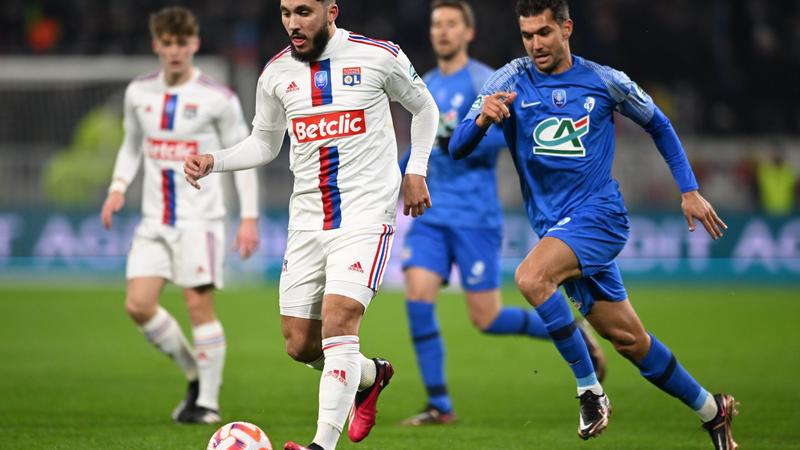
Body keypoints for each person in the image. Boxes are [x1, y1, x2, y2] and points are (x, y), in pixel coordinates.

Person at [449, 1, 737, 448]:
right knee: (628, 339)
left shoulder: (605, 81)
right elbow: (459, 147)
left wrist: (689, 189)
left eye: (544, 32)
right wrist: (484, 117)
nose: (535, 44)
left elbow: (659, 124)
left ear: (567, 28)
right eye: (527, 35)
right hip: (556, 228)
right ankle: (713, 411)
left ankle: (590, 391)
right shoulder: (507, 80)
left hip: (599, 216)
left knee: (530, 277)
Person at [184, 1, 438, 449]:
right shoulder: (276, 74)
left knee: (341, 320)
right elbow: (264, 143)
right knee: (301, 344)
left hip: (365, 215)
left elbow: (425, 109)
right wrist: (214, 161)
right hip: (307, 220)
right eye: (285, 13)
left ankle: (321, 444)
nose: (292, 23)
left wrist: (416, 169)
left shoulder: (378, 55)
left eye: (303, 11)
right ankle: (370, 375)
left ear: (331, 11)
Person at [398, 0, 605, 426]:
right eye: (436, 24)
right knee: (417, 296)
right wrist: (396, 170)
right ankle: (440, 405)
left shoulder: (485, 81)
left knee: (486, 318)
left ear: (467, 32)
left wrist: (456, 135)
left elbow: (510, 139)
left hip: (475, 216)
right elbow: (418, 147)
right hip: (431, 215)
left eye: (451, 24)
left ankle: (572, 332)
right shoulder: (426, 85)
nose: (442, 31)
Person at [100, 7, 260, 424]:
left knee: (197, 307)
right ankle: (195, 373)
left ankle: (207, 403)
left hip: (200, 219)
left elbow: (243, 155)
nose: (174, 51)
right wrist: (117, 189)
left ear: (194, 44)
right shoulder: (138, 93)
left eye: (181, 43)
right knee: (138, 304)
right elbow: (132, 145)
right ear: (156, 45)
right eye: (167, 44)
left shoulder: (218, 98)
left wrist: (249, 217)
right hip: (154, 220)